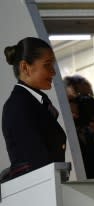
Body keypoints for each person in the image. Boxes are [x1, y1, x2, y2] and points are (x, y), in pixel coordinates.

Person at [2, 37, 66, 180]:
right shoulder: (19, 105)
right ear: (25, 67)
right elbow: (36, 164)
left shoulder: (33, 102)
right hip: (36, 192)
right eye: (47, 65)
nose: (53, 72)